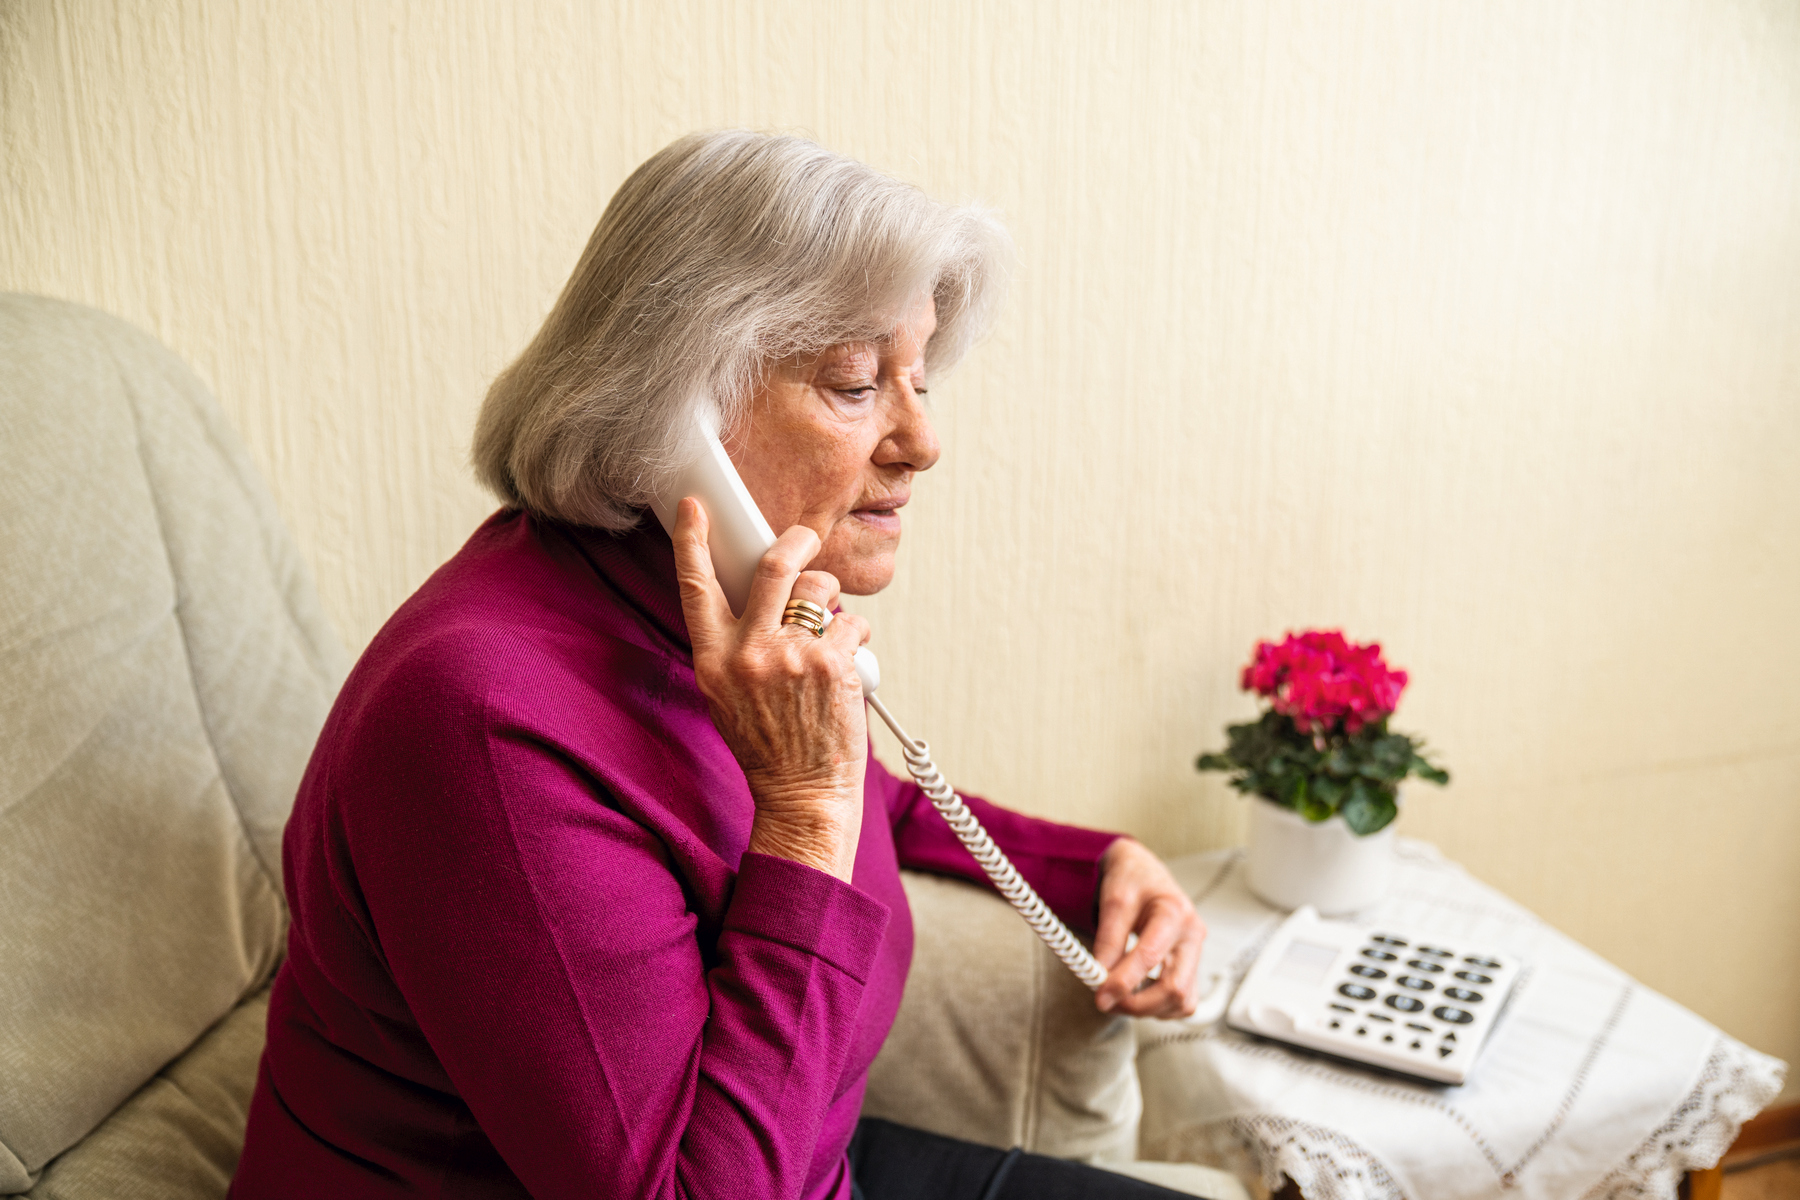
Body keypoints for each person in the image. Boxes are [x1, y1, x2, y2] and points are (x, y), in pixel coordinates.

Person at [232, 130, 1210, 1200]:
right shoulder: (479, 726)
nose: (921, 440)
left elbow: (877, 806)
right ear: (672, 411)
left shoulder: (712, 626)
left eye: (920, 379)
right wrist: (801, 811)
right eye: (853, 382)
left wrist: (1093, 863)